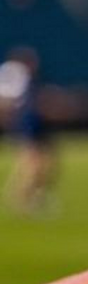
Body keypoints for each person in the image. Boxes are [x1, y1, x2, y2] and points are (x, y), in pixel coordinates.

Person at [0, 47, 56, 214]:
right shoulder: (15, 73)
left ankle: (27, 196)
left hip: (31, 122)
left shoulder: (21, 76)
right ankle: (22, 198)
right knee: (33, 162)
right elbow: (8, 100)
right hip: (25, 122)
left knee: (40, 162)